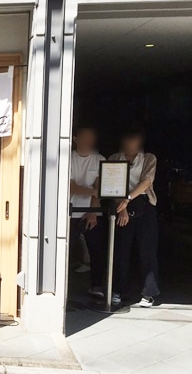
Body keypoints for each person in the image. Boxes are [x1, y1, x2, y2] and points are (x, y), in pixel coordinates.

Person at [109, 126, 160, 308]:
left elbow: (147, 181)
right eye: (128, 139)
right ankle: (118, 290)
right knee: (122, 249)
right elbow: (111, 185)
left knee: (147, 249)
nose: (130, 143)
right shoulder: (115, 158)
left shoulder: (148, 158)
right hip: (121, 206)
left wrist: (128, 198)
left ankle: (148, 293)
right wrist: (121, 207)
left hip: (144, 204)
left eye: (134, 140)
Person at [70, 125, 107, 298]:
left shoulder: (100, 159)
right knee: (66, 251)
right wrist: (92, 191)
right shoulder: (68, 159)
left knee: (97, 250)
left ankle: (96, 285)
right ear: (76, 139)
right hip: (70, 212)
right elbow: (70, 187)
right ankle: (65, 288)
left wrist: (93, 210)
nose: (89, 141)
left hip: (93, 212)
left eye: (91, 137)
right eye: (85, 137)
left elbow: (100, 186)